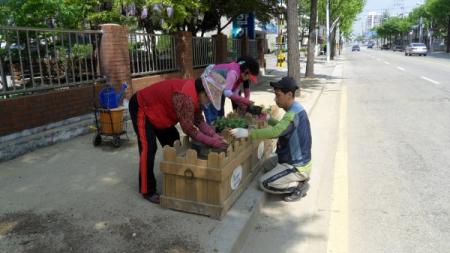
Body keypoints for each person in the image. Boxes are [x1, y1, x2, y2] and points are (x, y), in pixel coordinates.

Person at [128, 74, 228, 204]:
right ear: (203, 93)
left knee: (173, 140)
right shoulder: (185, 97)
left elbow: (198, 120)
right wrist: (211, 141)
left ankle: (175, 177)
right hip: (142, 106)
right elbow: (188, 129)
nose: (209, 102)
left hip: (160, 112)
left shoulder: (195, 95)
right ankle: (147, 190)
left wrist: (214, 135)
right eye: (209, 99)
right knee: (149, 148)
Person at [230, 76, 312, 202]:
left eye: (278, 95)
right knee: (267, 165)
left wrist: (247, 132)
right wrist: (269, 119)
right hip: (292, 160)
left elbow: (276, 131)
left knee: (264, 182)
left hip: (296, 166)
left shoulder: (292, 114)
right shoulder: (296, 109)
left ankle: (298, 186)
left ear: (289, 94)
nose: (275, 99)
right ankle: (293, 178)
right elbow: (283, 127)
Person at [203, 56, 260, 124]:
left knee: (220, 114)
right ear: (247, 71)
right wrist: (245, 100)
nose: (248, 80)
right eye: (249, 78)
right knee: (213, 116)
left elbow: (234, 93)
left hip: (219, 88)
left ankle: (217, 129)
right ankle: (211, 129)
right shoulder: (234, 72)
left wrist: (242, 104)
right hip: (210, 85)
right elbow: (227, 92)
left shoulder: (239, 77)